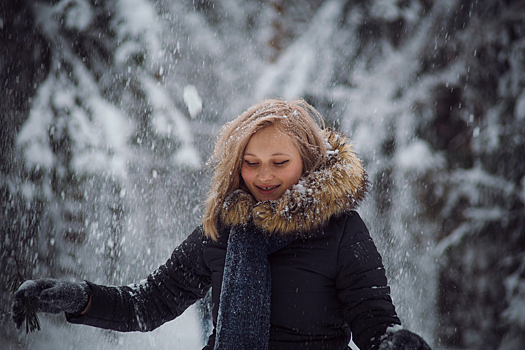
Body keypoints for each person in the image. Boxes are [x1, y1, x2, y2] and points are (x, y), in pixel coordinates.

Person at [12, 99, 431, 350]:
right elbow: (146, 303)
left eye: (279, 163)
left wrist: (394, 343)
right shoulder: (223, 230)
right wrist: (79, 298)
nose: (263, 177)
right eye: (251, 164)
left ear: (307, 161)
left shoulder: (342, 231)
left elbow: (373, 321)